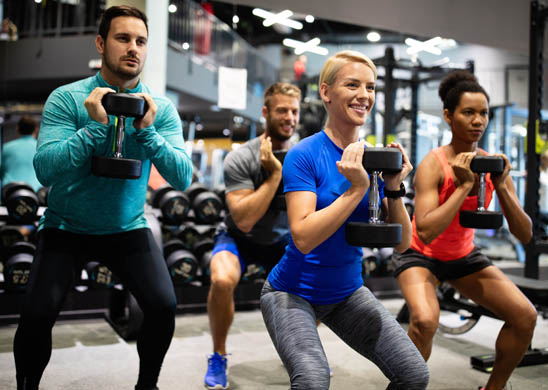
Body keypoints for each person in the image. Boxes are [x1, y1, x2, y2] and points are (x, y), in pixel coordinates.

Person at [13, 6, 192, 390]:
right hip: (66, 226)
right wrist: (94, 128)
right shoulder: (67, 98)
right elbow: (45, 169)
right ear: (101, 42)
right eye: (123, 38)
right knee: (37, 313)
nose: (133, 48)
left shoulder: (160, 110)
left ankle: (148, 386)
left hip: (127, 227)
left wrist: (147, 133)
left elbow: (183, 175)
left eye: (141, 41)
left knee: (162, 306)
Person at [260, 50, 429, 390]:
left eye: (370, 87)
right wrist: (357, 189)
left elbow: (403, 243)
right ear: (326, 92)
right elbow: (304, 237)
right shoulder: (304, 155)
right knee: (312, 380)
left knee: (414, 374)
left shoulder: (375, 157)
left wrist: (394, 189)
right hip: (292, 291)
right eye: (352, 85)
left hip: (347, 292)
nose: (364, 95)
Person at [393, 71, 537, 390]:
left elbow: (525, 234)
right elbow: (426, 231)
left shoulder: (492, 164)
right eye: (468, 112)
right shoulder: (433, 164)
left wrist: (501, 188)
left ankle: (493, 388)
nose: (478, 121)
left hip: (463, 257)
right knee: (425, 321)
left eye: (483, 113)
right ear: (448, 115)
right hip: (420, 256)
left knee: (525, 316)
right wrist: (463, 187)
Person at [204, 82, 301, 389]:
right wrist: (274, 175)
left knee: (319, 272)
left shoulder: (304, 156)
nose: (290, 117)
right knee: (221, 279)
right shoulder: (241, 158)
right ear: (266, 112)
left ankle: (301, 352)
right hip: (239, 239)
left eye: (294, 111)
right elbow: (243, 220)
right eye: (282, 110)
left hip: (283, 239)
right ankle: (218, 355)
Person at [0, 115, 42, 191]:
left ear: (17, 129)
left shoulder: (5, 148)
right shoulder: (41, 149)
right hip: (36, 193)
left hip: (10, 192)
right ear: (36, 130)